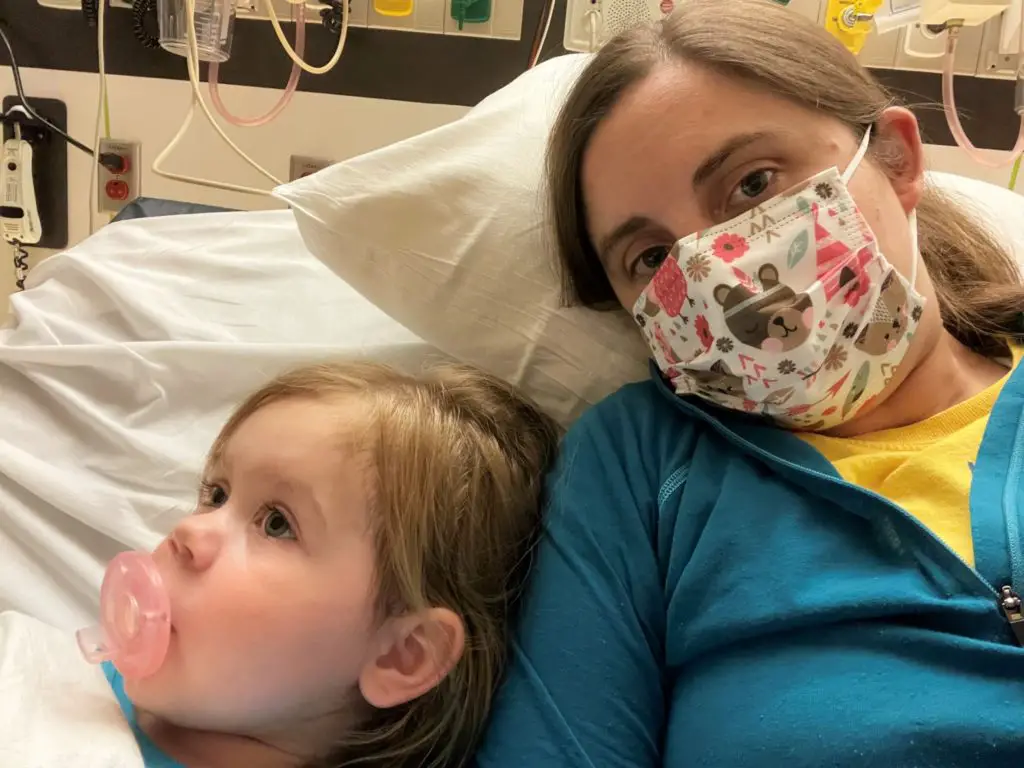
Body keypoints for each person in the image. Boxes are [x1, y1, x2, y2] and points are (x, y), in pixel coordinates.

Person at [473, 1, 1024, 766]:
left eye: (752, 183)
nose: (713, 269)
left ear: (897, 159)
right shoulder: (644, 466)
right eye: (650, 258)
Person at [0, 361, 559, 768]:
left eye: (276, 524)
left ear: (401, 653)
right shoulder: (59, 678)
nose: (188, 532)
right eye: (215, 494)